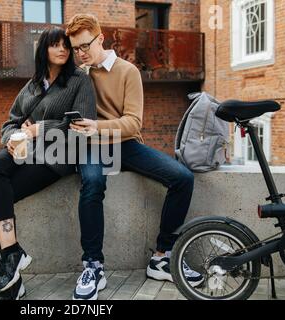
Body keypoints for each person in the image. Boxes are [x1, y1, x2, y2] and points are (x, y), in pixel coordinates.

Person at [65, 14, 204, 300]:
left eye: (84, 46)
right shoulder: (78, 74)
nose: (80, 54)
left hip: (126, 143)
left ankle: (162, 257)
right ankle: (93, 265)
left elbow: (133, 123)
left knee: (182, 178)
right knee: (92, 183)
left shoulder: (127, 71)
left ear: (100, 38)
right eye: (75, 49)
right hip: (91, 145)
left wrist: (98, 126)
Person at [0, 26, 97, 300]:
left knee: (1, 197)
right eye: (55, 45)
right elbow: (10, 121)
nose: (63, 50)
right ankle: (11, 255)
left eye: (66, 46)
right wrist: (11, 137)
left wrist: (39, 129)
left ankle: (8, 275)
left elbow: (80, 125)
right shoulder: (33, 84)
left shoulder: (80, 81)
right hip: (26, 151)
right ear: (43, 49)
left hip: (59, 156)